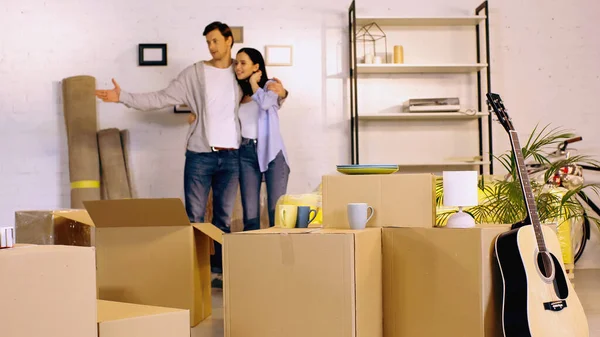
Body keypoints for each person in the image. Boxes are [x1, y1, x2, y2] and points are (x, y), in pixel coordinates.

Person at [94, 22, 289, 283]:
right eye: (208, 42)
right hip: (200, 155)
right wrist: (123, 97)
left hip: (232, 157)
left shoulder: (240, 70)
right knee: (195, 217)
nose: (211, 46)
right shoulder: (194, 73)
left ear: (229, 40)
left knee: (223, 219)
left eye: (215, 41)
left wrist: (284, 92)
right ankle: (195, 274)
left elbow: (268, 95)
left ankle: (220, 272)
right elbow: (161, 97)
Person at [233, 47, 291, 230]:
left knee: (276, 213)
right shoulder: (238, 92)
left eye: (243, 63)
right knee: (250, 216)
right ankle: (254, 257)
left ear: (256, 66)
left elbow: (266, 103)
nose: (238, 67)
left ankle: (278, 258)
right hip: (246, 153)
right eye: (236, 63)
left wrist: (254, 84)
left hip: (272, 152)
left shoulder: (269, 86)